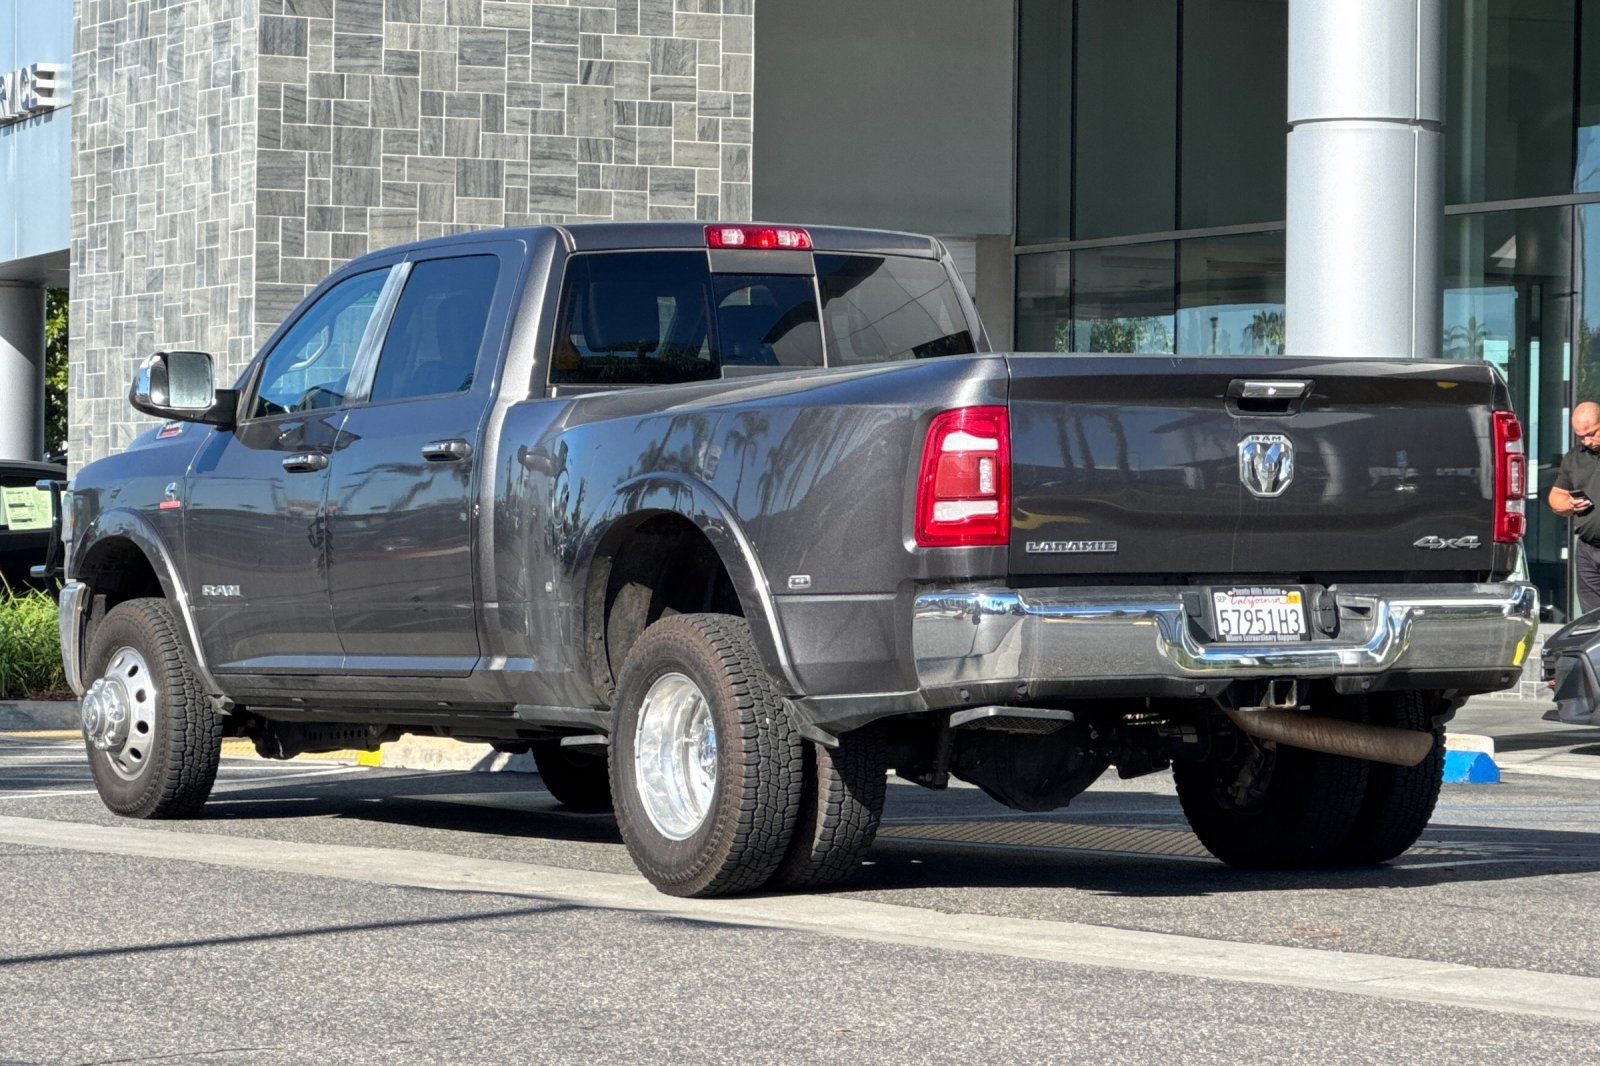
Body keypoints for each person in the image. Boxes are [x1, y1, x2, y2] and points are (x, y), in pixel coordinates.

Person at [1550, 401, 1600, 616]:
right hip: (1588, 550)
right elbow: (1555, 497)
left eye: (1592, 433)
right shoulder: (1574, 458)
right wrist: (1570, 503)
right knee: (1592, 620)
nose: (1587, 441)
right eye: (1581, 436)